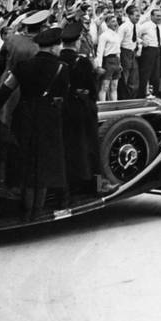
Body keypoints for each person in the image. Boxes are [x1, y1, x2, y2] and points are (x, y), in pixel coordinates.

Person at [0, 27, 69, 221]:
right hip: (48, 119)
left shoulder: (22, 67)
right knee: (44, 165)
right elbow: (62, 98)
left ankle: (25, 211)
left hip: (24, 117)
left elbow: (5, 91)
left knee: (26, 163)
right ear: (53, 46)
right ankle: (38, 212)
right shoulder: (62, 68)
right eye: (59, 45)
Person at [58, 21, 100, 201]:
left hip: (61, 109)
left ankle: (66, 188)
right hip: (81, 109)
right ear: (77, 42)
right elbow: (92, 88)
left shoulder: (57, 59)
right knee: (88, 147)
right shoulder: (82, 61)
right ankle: (94, 186)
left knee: (65, 148)